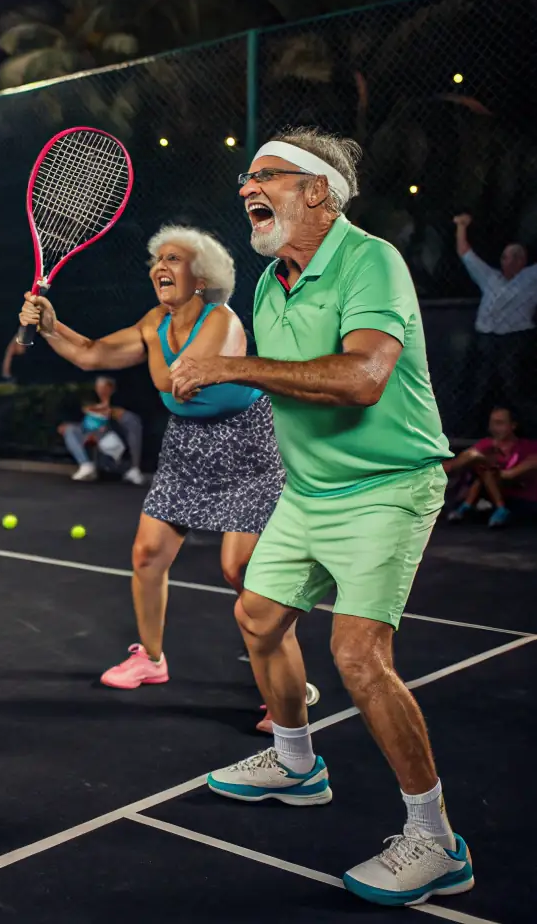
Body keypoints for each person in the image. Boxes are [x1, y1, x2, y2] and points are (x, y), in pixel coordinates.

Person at [173, 128, 471, 906]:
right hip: (309, 493)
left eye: (263, 175)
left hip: (386, 486)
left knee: (357, 656)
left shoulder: (370, 259)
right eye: (244, 178)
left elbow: (363, 375)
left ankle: (436, 842)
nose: (245, 187)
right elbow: (284, 383)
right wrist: (215, 385)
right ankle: (297, 764)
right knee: (258, 617)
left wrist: (229, 365)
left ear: (315, 191)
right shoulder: (272, 283)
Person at [20, 226, 300, 731]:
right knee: (147, 555)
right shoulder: (155, 321)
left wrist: (149, 343)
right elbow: (92, 353)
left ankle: (286, 684)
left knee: (242, 572)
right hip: (188, 443)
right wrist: (50, 326)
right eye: (156, 261)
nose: (159, 267)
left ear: (202, 277)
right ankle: (151, 659)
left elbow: (180, 381)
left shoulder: (223, 322)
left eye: (173, 258)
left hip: (248, 444)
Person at [453, 214, 536, 433]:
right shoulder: (491, 277)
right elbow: (466, 254)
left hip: (514, 340)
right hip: (485, 339)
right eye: (505, 257)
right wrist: (461, 226)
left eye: (512, 257)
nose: (506, 261)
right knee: (478, 389)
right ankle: (472, 431)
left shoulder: (530, 278)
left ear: (522, 260)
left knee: (515, 390)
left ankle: (525, 433)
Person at [444, 405, 537, 527]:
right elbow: (468, 460)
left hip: (520, 498)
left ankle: (469, 507)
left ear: (513, 426)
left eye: (499, 423)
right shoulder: (485, 444)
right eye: (492, 424)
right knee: (480, 464)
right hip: (491, 496)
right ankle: (493, 508)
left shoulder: (528, 446)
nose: (494, 428)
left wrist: (509, 474)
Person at [58, 375, 145, 484]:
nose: (100, 391)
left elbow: (122, 422)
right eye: (98, 387)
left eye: (104, 387)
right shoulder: (90, 402)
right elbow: (83, 420)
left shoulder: (120, 403)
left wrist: (107, 416)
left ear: (111, 388)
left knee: (131, 421)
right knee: (70, 430)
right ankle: (86, 465)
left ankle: (133, 469)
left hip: (111, 439)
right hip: (89, 433)